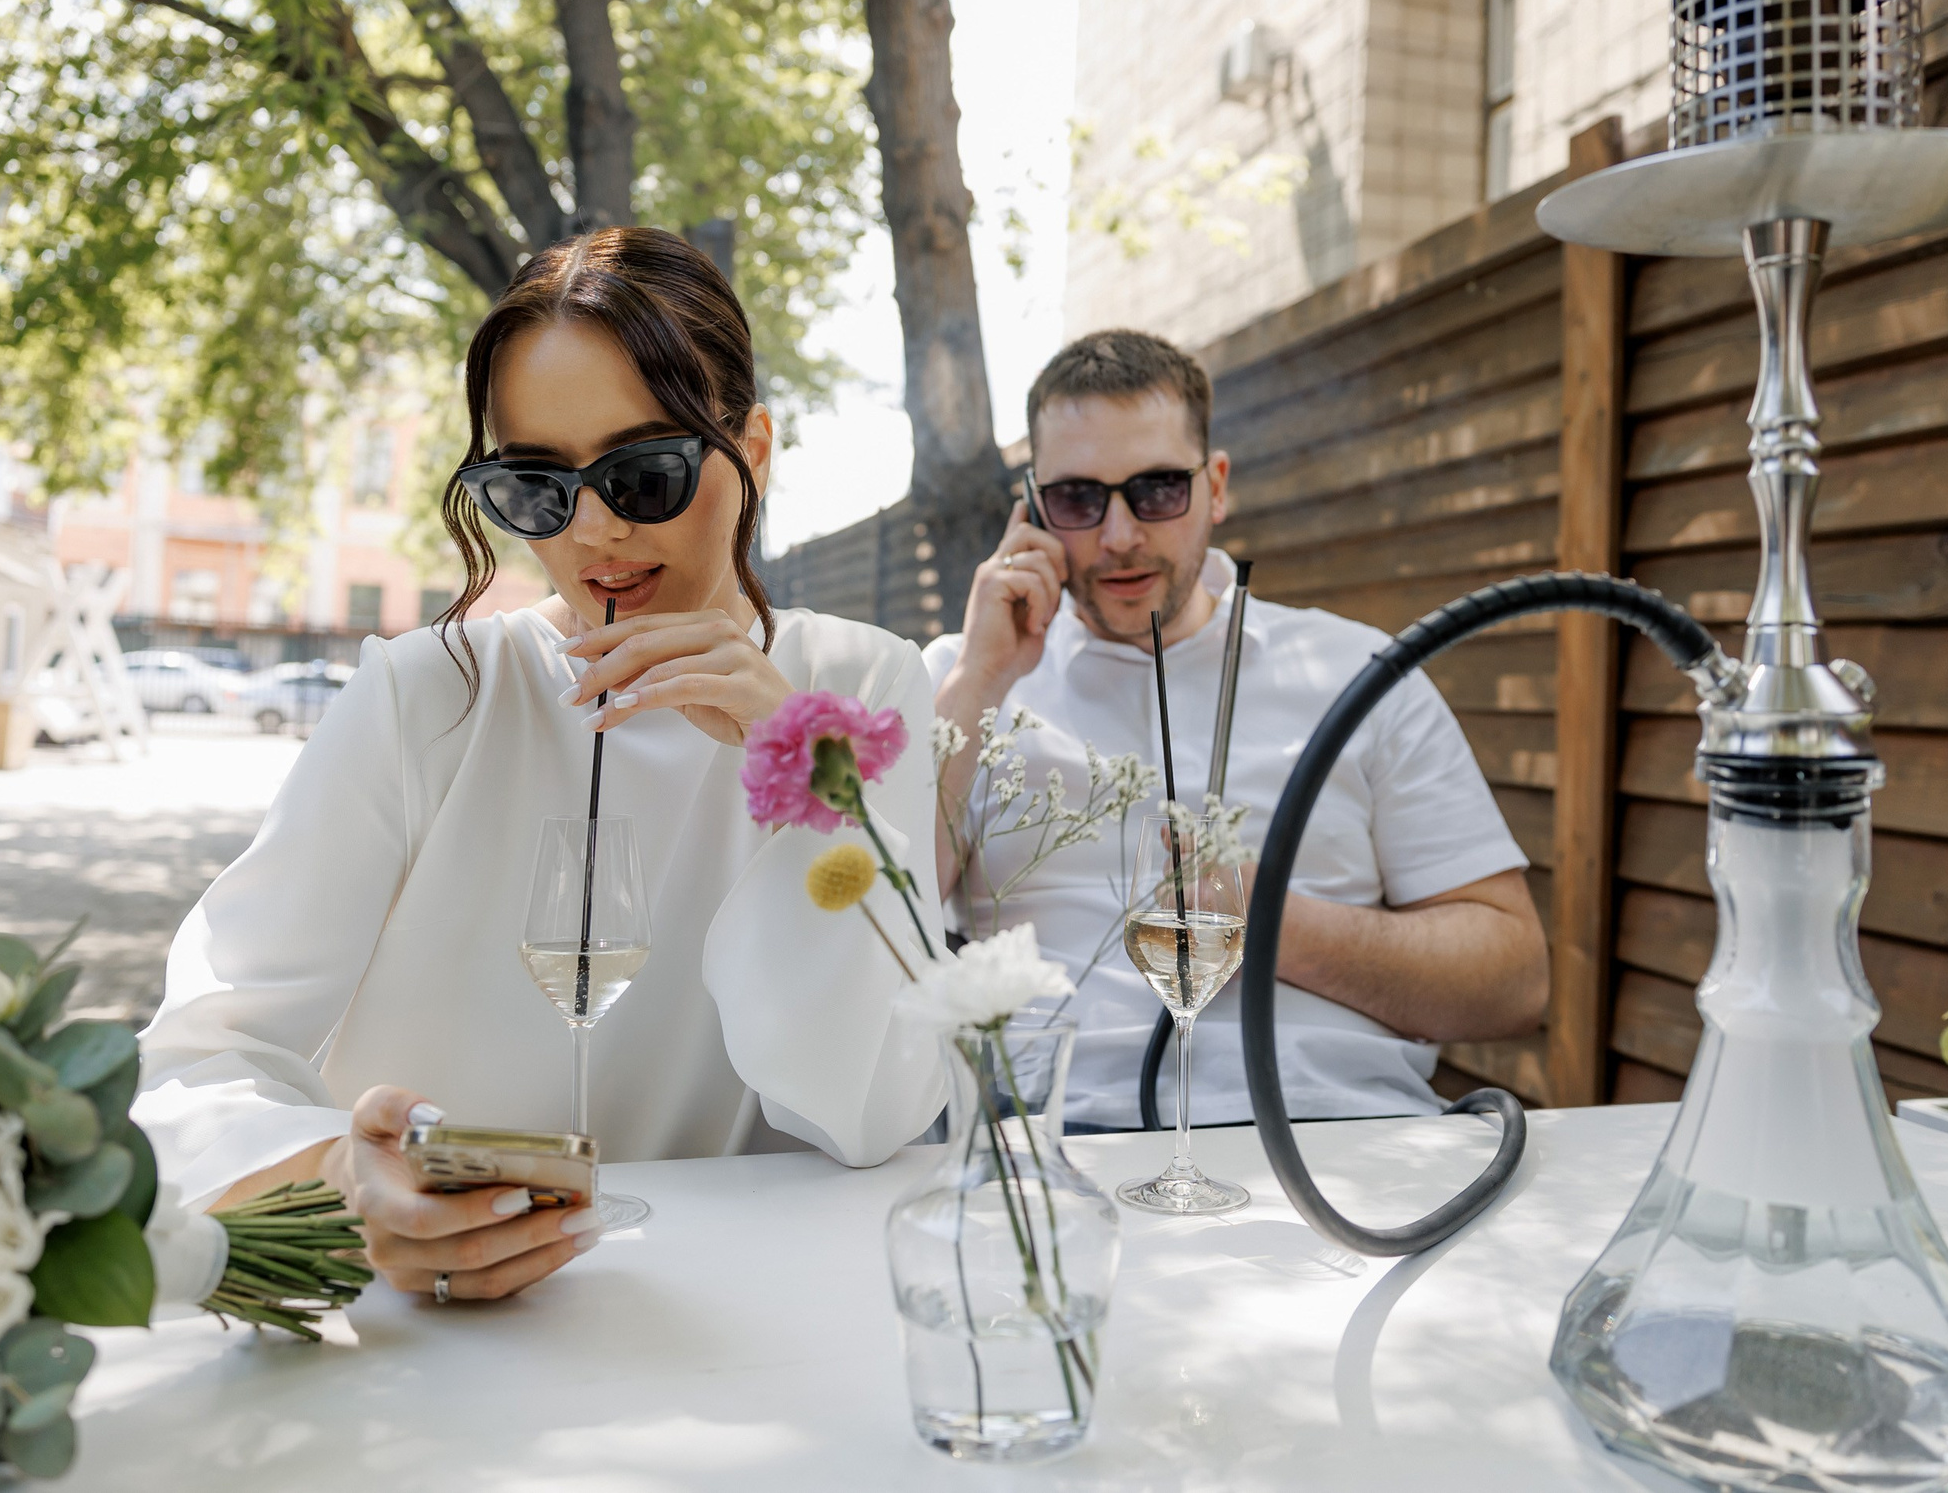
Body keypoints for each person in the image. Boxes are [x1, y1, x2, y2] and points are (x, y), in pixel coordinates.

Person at [135, 228, 943, 1303]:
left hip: (741, 1317)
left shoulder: (860, 685)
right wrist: (346, 1181)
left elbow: (873, 1109)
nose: (595, 531)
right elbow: (194, 1059)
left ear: (751, 450)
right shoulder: (427, 694)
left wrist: (801, 774)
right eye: (535, 489)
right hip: (448, 1322)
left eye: (644, 473)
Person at [925, 330, 1548, 1131]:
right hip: (1049, 1146)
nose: (1118, 534)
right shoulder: (960, 676)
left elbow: (1514, 980)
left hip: (1339, 1131)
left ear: (1216, 486)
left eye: (1157, 489)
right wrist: (981, 679)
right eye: (1078, 498)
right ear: (1033, 507)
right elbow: (863, 919)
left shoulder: (1363, 672)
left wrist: (1268, 921)